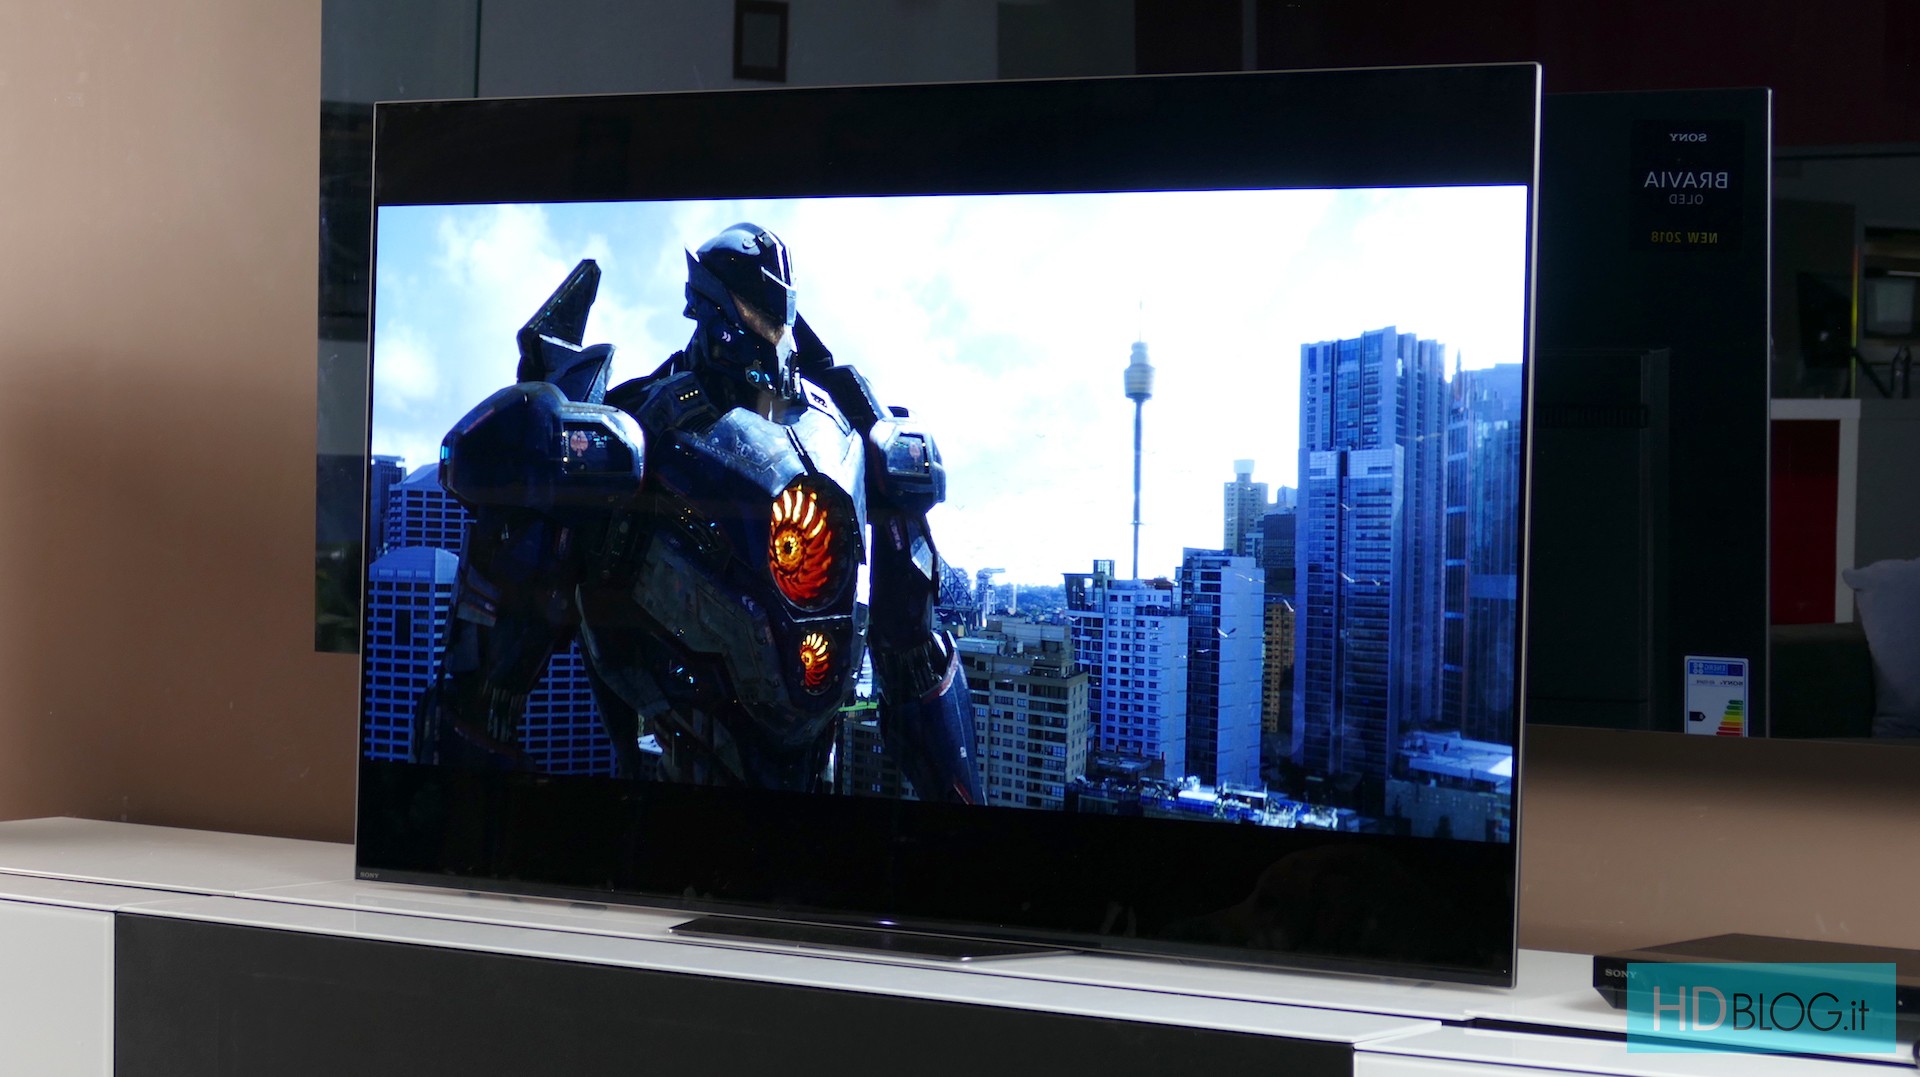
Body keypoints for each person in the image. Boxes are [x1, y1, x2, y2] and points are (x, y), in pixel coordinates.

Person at [417, 224, 982, 803]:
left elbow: (914, 659)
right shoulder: (642, 428)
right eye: (750, 305)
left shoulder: (845, 433)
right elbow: (485, 695)